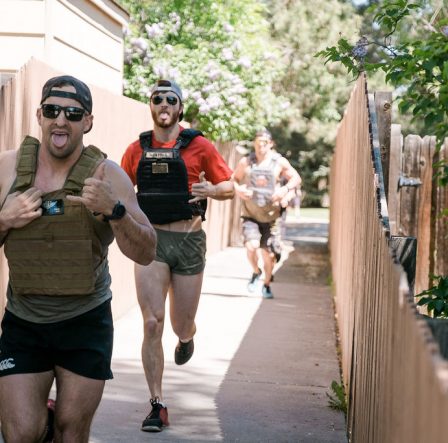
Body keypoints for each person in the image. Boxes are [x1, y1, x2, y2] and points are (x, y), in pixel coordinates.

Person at [0, 75, 157, 442]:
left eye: (72, 113)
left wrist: (115, 212)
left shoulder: (106, 175)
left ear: (87, 122)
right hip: (24, 320)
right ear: (39, 115)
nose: (61, 120)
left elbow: (148, 250)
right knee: (20, 433)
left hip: (85, 321)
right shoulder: (7, 170)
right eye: (52, 110)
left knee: (72, 431)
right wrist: (4, 219)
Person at [120, 79, 234, 432]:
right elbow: (120, 186)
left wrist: (213, 189)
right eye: (158, 99)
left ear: (180, 108)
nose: (164, 104)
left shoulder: (199, 145)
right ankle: (157, 404)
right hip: (151, 242)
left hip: (188, 240)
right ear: (151, 106)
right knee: (152, 322)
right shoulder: (136, 149)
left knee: (178, 323)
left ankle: (187, 337)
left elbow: (230, 186)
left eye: (171, 99)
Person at [232, 129, 301, 299]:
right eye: (257, 143)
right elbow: (233, 179)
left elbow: (296, 178)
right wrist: (239, 190)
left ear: (270, 144)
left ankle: (267, 285)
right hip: (250, 214)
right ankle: (256, 272)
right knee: (251, 247)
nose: (260, 146)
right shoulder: (246, 162)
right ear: (254, 143)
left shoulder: (279, 162)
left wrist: (284, 190)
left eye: (264, 143)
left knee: (269, 254)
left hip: (272, 217)